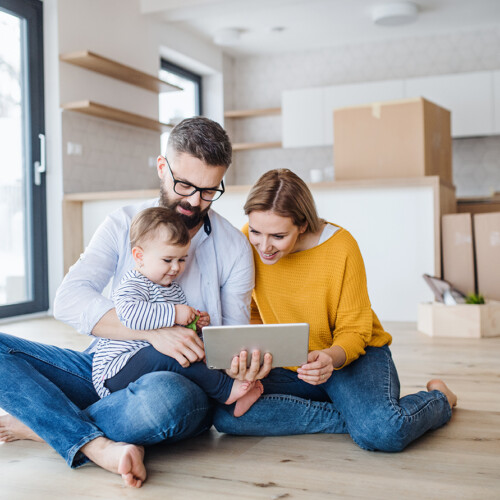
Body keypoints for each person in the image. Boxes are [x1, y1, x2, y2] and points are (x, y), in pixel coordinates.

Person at [0, 117, 255, 487]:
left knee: (163, 401)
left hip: (180, 385)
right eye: (184, 184)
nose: (194, 201)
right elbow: (68, 300)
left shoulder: (233, 247)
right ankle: (93, 443)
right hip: (106, 365)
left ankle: (45, 422)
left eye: (209, 190)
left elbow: (234, 337)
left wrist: (243, 360)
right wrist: (155, 334)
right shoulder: (122, 223)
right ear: (161, 167)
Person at [213, 168, 457, 452]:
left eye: (278, 236)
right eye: (256, 231)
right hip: (292, 364)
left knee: (385, 433)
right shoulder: (247, 241)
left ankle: (439, 399)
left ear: (302, 225)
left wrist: (330, 357)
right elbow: (253, 312)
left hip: (350, 357)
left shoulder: (341, 247)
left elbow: (355, 331)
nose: (263, 246)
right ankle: (357, 419)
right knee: (226, 414)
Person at [92, 206, 262, 416]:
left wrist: (195, 324)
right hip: (116, 370)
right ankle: (225, 391)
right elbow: (130, 316)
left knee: (195, 351)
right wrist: (175, 313)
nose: (176, 268)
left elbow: (175, 332)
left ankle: (232, 402)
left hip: (149, 364)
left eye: (182, 259)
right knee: (172, 354)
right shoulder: (132, 284)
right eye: (168, 260)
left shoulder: (173, 289)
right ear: (139, 256)